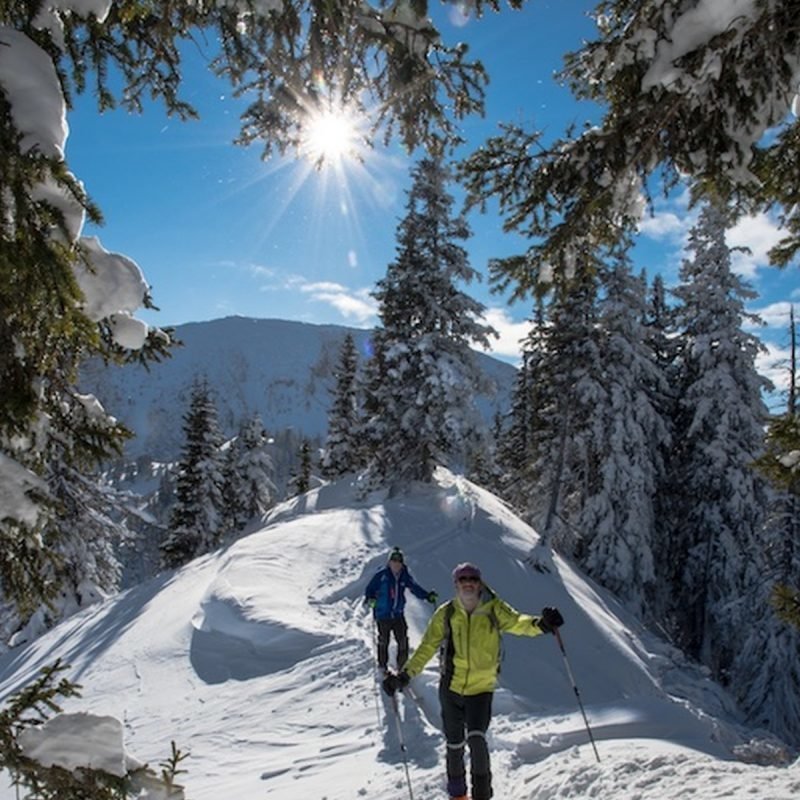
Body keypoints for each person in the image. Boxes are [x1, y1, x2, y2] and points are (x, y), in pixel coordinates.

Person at [382, 561, 564, 800]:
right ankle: (458, 796)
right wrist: (404, 676)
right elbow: (427, 648)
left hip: (481, 689)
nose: (468, 583)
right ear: (456, 584)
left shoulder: (494, 609)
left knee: (477, 741)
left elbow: (518, 623)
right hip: (451, 688)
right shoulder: (446, 613)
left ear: (480, 584)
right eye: (462, 579)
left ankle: (482, 796)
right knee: (454, 745)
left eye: (473, 579)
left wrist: (542, 624)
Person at [364, 547, 438, 674]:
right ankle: (382, 666)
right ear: (389, 562)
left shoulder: (404, 575)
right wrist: (370, 600)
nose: (396, 564)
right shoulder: (381, 575)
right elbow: (369, 590)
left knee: (403, 640)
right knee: (383, 641)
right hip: (383, 614)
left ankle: (402, 667)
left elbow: (414, 587)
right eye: (394, 561)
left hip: (398, 614)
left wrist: (427, 596)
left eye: (399, 561)